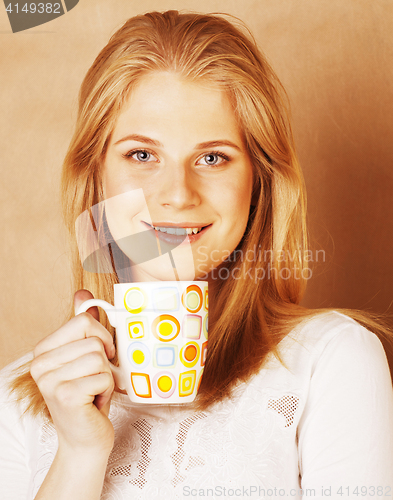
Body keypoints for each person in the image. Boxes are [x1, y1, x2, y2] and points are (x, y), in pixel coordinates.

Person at [1, 10, 392, 500]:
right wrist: (79, 455)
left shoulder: (331, 361)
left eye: (213, 158)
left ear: (259, 183)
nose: (178, 195)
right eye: (142, 155)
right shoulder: (18, 396)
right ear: (95, 176)